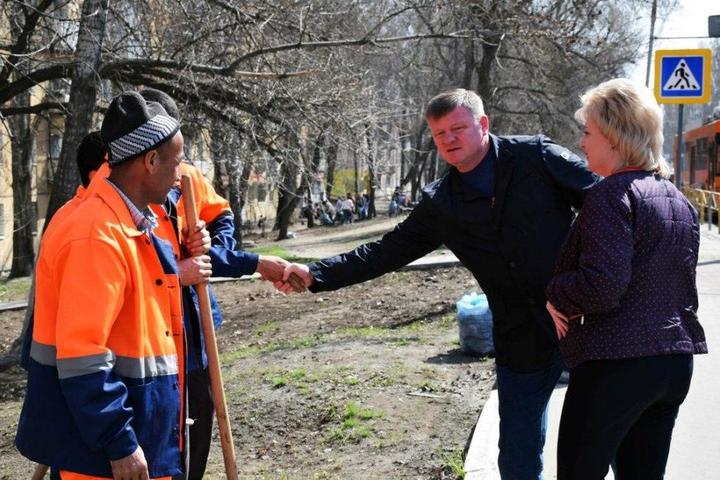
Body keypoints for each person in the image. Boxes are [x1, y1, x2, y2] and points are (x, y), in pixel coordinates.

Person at [277, 88, 600, 479]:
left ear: (483, 125)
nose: (449, 139)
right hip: (520, 337)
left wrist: (588, 279)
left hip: (587, 320)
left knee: (602, 436)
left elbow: (606, 203)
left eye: (458, 128)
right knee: (517, 450)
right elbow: (386, 252)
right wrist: (317, 273)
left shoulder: (536, 157)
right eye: (439, 133)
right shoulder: (442, 203)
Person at [16, 92, 187, 479]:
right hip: (101, 456)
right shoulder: (97, 235)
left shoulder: (132, 224)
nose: (181, 174)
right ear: (150, 161)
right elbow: (83, 355)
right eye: (177, 162)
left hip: (130, 435)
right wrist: (119, 442)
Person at [544, 78, 707, 480]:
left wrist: (556, 293)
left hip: (617, 363)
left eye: (587, 132)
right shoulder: (679, 201)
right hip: (672, 366)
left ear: (615, 137)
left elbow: (603, 285)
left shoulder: (610, 195)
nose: (581, 143)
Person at [138, 88, 290, 480]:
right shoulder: (121, 185)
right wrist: (177, 269)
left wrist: (210, 246)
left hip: (191, 319)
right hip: (149, 325)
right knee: (162, 420)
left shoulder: (185, 176)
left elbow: (219, 215)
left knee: (199, 409)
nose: (178, 164)